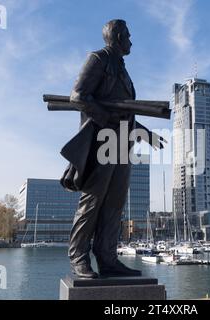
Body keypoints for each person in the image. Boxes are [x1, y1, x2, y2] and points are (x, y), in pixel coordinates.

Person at [68, 19, 165, 278]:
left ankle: (108, 258)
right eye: (129, 36)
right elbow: (77, 96)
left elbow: (125, 112)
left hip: (123, 144)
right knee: (92, 201)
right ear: (119, 37)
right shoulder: (98, 59)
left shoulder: (121, 69)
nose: (132, 41)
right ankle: (79, 256)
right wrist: (104, 117)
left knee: (114, 204)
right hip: (102, 141)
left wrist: (145, 133)